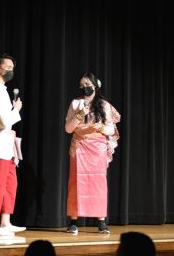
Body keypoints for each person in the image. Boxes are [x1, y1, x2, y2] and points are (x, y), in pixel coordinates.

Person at [65, 72, 121, 235]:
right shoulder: (76, 103)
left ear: (95, 85)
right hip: (80, 146)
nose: (85, 88)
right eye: (82, 85)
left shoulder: (104, 105)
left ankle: (101, 222)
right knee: (76, 182)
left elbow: (111, 129)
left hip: (97, 148)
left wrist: (101, 128)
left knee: (98, 184)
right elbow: (68, 129)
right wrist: (80, 114)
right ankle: (74, 221)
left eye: (88, 84)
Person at [0, 53, 26, 236]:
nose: (10, 70)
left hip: (6, 144)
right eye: (7, 67)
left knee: (10, 183)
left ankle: (5, 221)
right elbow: (3, 121)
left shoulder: (2, 89)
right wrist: (16, 110)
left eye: (12, 68)